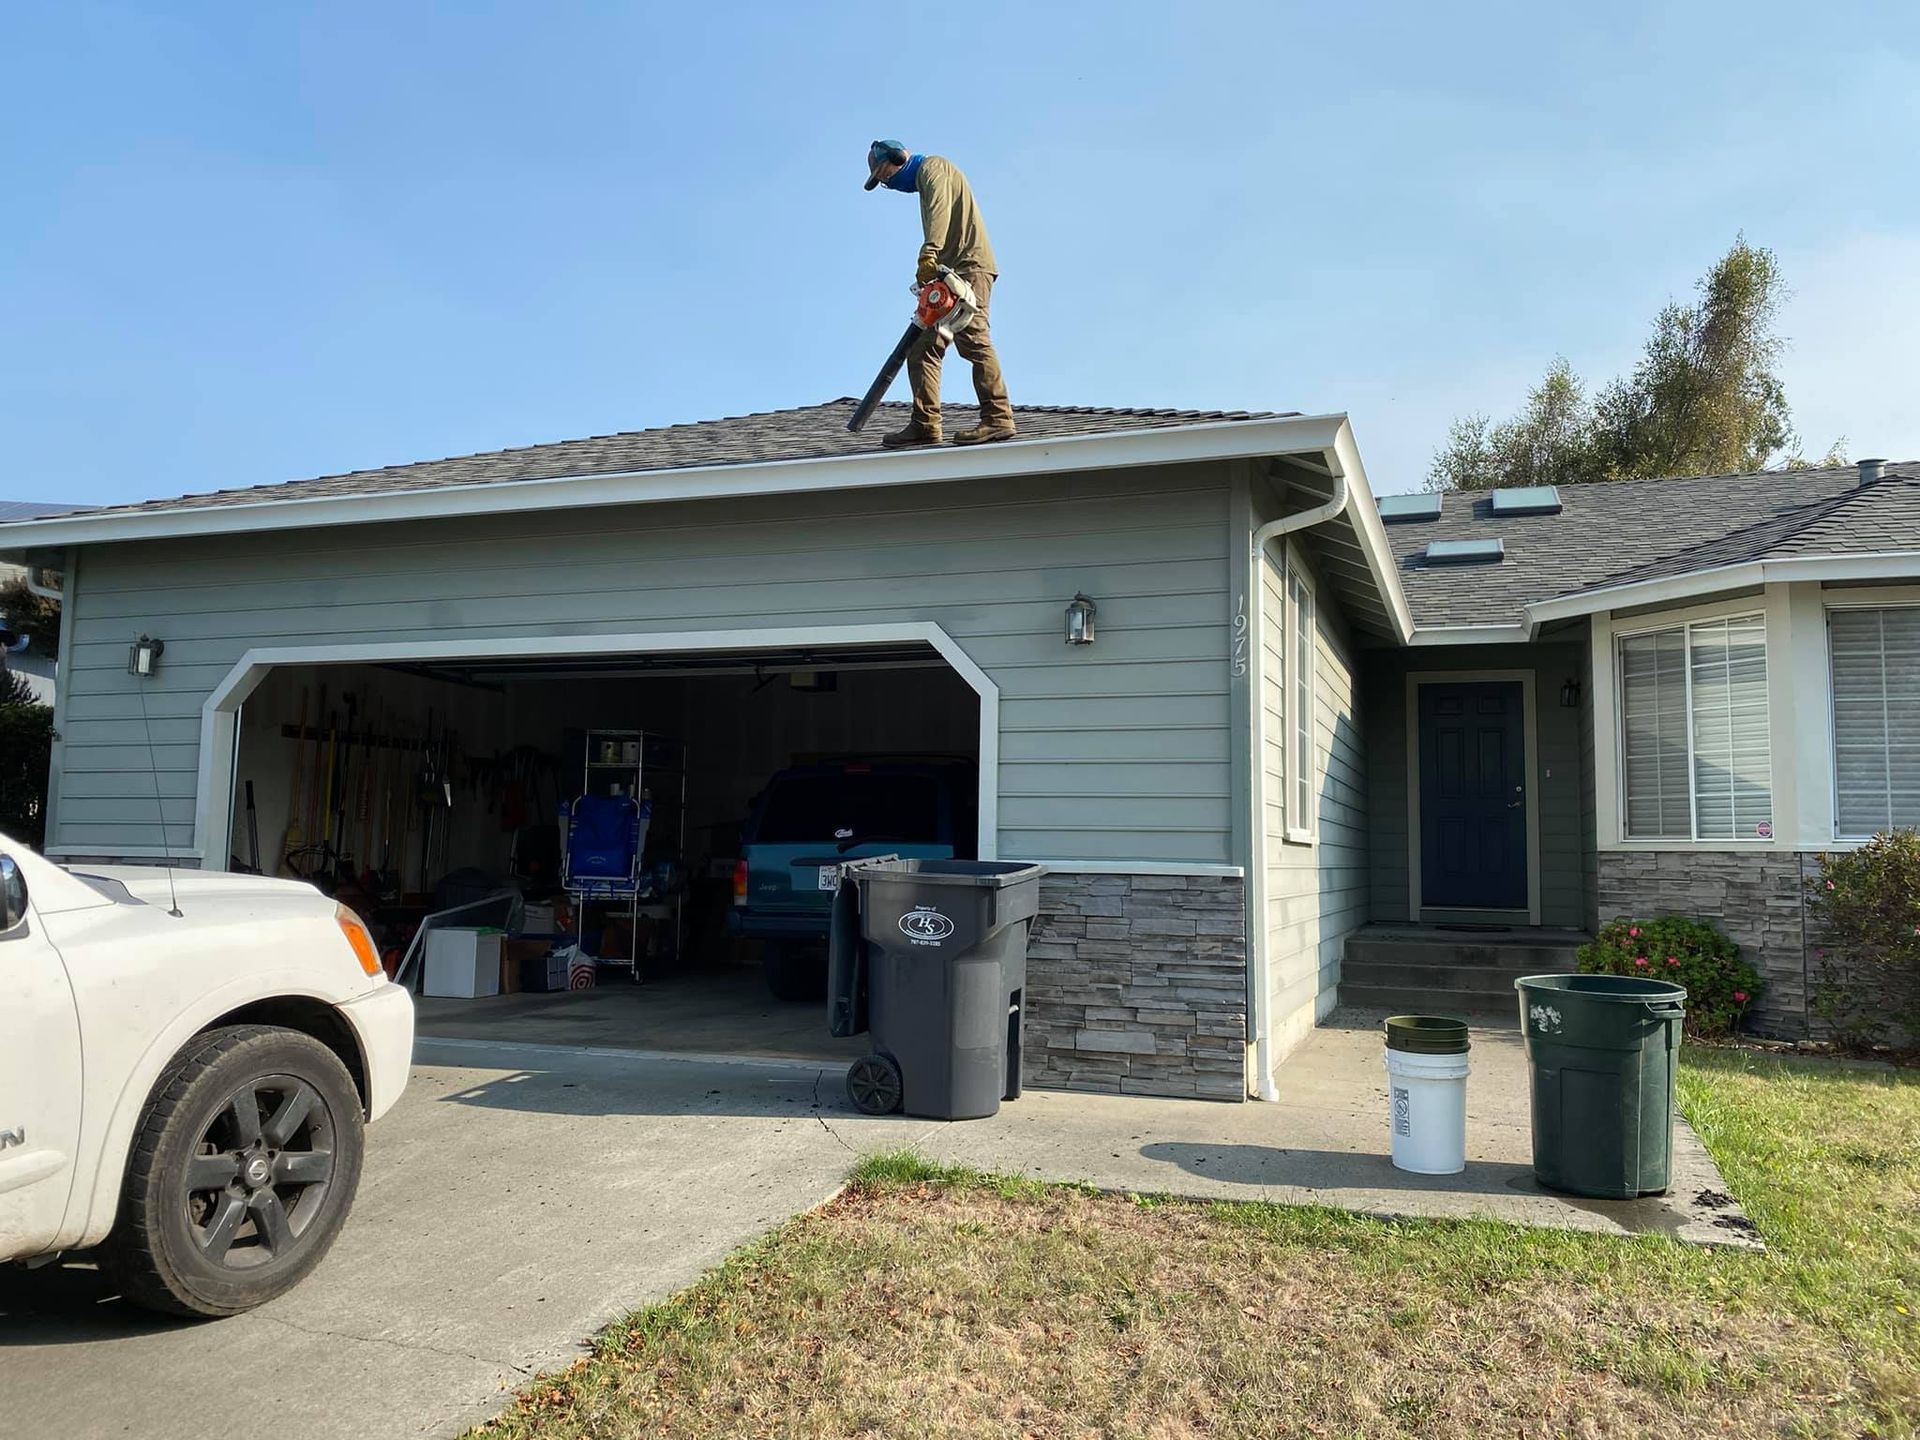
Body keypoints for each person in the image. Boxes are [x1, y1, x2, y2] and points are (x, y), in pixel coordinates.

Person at [863, 140, 1015, 448]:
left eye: (885, 174)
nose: (888, 184)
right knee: (922, 347)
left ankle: (998, 417)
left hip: (969, 268)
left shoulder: (934, 168)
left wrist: (929, 254)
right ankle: (925, 425)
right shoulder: (925, 177)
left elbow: (939, 212)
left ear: (898, 158)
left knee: (972, 337)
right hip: (951, 273)